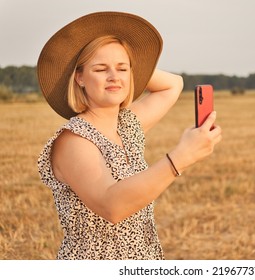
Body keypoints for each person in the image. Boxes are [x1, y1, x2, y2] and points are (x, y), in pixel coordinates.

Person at [37, 11, 222, 260]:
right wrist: (180, 158)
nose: (114, 77)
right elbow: (112, 205)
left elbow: (173, 84)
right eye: (101, 69)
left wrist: (125, 62)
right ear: (79, 77)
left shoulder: (127, 125)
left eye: (123, 69)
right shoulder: (73, 140)